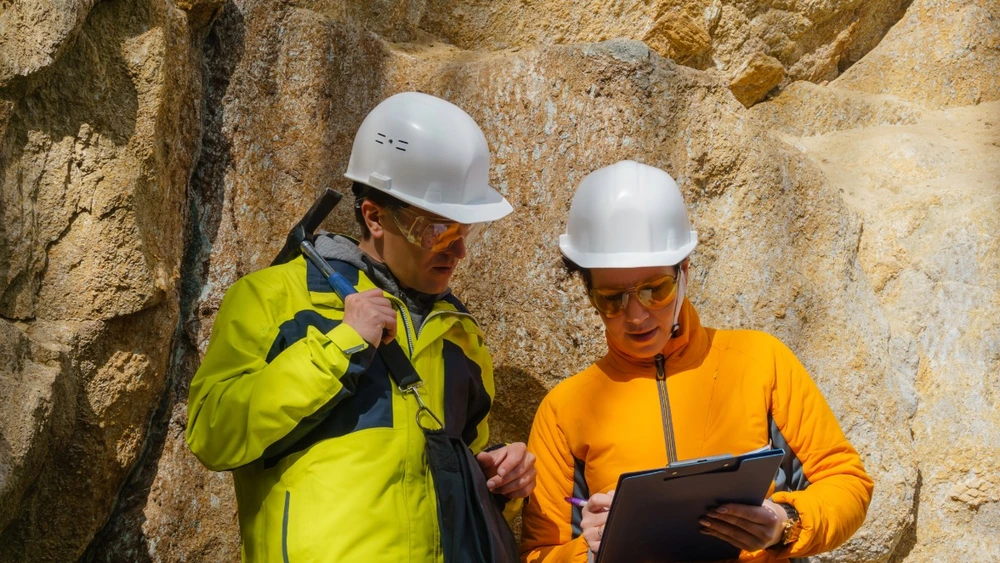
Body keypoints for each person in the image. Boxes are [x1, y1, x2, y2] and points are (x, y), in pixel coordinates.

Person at [186, 92, 535, 562]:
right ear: (374, 216)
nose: (458, 254)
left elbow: (458, 497)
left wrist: (500, 480)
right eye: (440, 232)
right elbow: (212, 433)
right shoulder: (271, 298)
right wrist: (339, 348)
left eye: (465, 230)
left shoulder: (461, 338)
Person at [520, 160, 873, 562]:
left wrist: (785, 520)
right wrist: (587, 551)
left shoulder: (761, 362)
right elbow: (539, 553)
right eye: (611, 299)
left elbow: (847, 482)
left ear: (685, 271)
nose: (636, 315)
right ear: (588, 292)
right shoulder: (564, 411)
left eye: (656, 290)